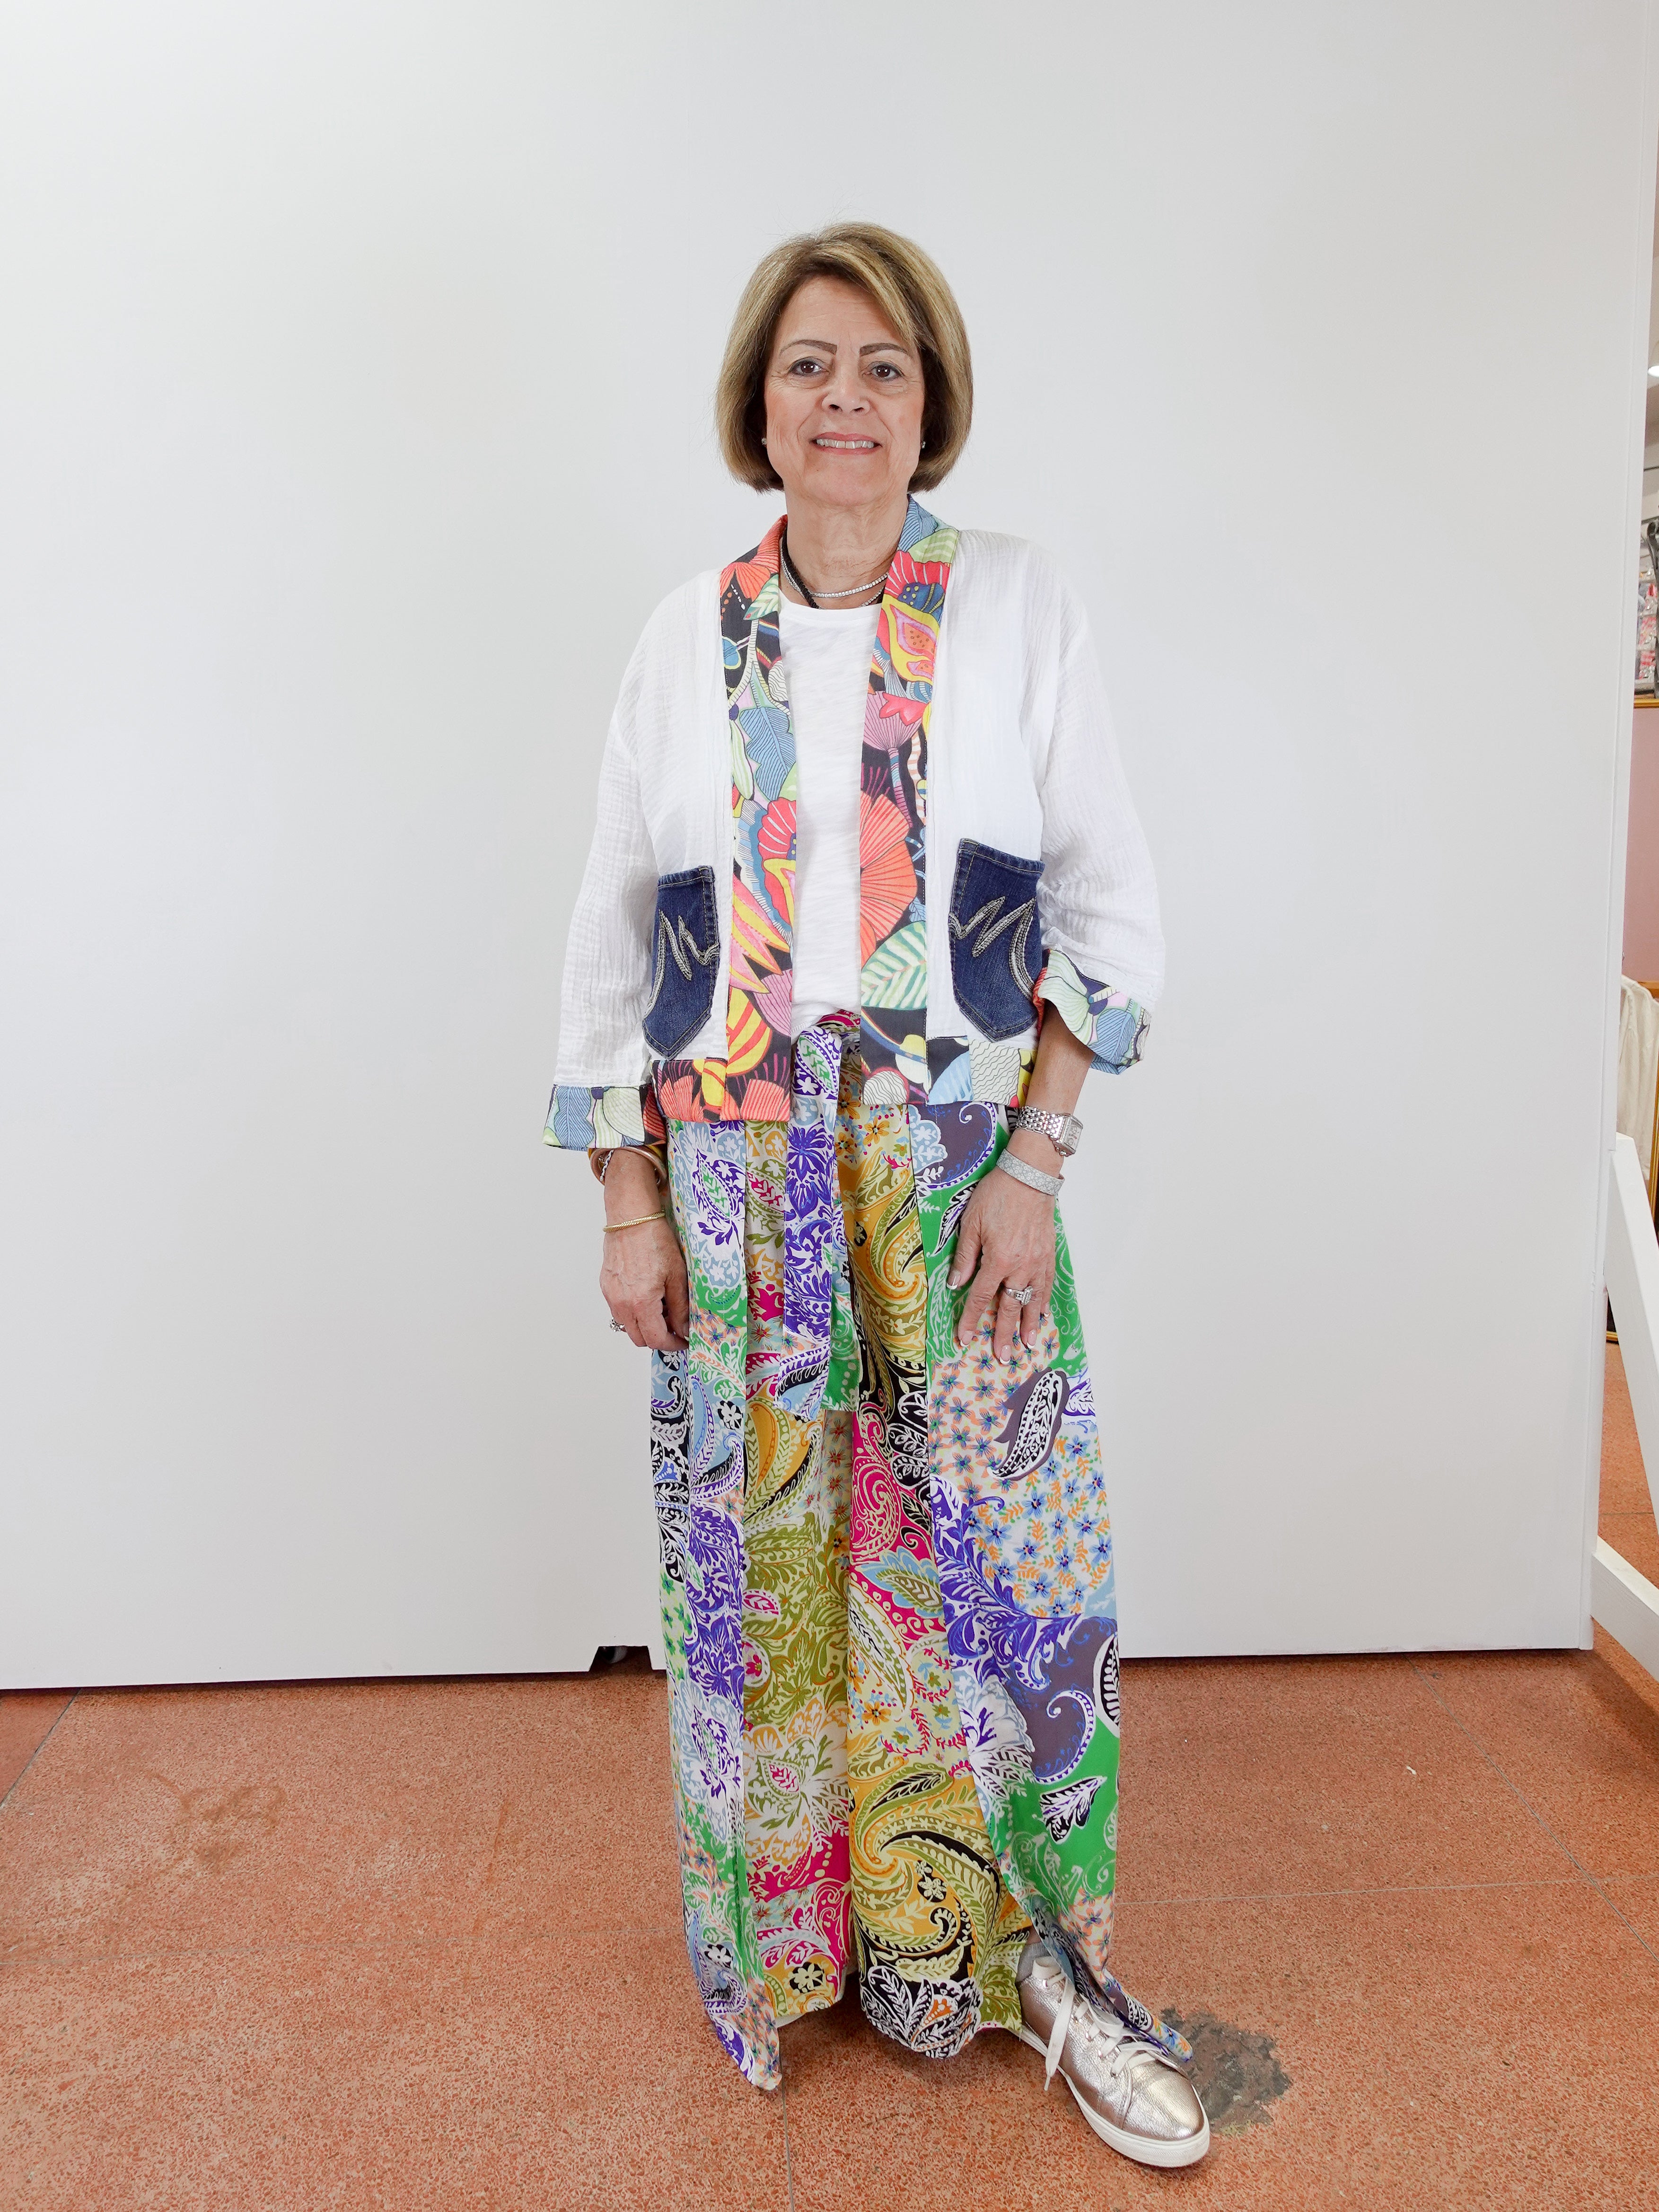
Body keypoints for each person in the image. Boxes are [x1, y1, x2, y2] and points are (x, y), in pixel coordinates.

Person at [546, 223, 1206, 2169]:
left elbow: (1109, 905)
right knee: (765, 1593)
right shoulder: (688, 631)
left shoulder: (1015, 604)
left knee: (1005, 1575)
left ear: (936, 401)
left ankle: (1043, 1971)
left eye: (886, 367)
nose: (847, 401)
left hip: (950, 1162)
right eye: (812, 364)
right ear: (760, 396)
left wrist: (1037, 1150)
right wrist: (623, 1195)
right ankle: (797, 1946)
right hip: (738, 1176)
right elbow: (607, 928)